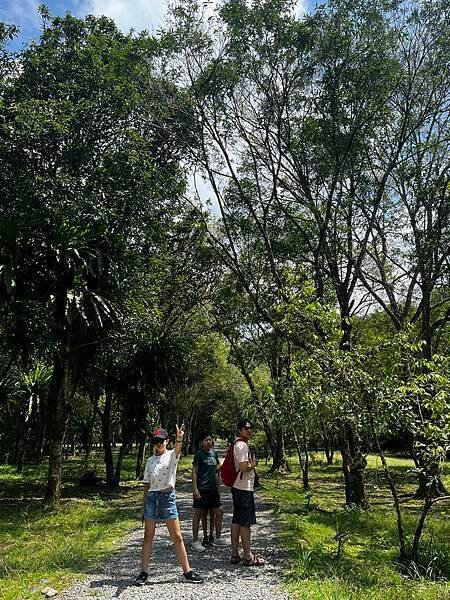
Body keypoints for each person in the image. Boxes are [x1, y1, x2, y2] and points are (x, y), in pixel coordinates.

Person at [134, 425, 203, 586]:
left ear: (167, 441)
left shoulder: (172, 456)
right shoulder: (150, 461)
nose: (158, 444)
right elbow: (146, 485)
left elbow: (178, 448)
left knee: (177, 537)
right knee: (148, 537)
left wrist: (180, 437)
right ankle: (143, 572)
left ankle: (187, 571)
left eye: (161, 441)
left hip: (167, 497)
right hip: (152, 498)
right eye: (156, 441)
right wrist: (143, 507)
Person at [230, 419, 265, 567]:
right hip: (244, 488)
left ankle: (235, 554)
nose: (249, 431)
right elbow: (244, 467)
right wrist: (253, 465)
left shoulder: (236, 444)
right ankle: (248, 556)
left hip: (238, 487)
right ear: (240, 430)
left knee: (237, 520)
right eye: (246, 428)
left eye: (250, 428)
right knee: (245, 522)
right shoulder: (242, 446)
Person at [191, 432, 227, 551]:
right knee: (199, 514)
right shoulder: (199, 455)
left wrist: (219, 485)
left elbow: (218, 470)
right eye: (206, 440)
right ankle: (195, 541)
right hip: (202, 489)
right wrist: (195, 489)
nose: (209, 442)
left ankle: (218, 538)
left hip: (213, 490)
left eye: (210, 440)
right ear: (202, 442)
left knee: (219, 511)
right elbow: (195, 471)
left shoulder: (214, 454)